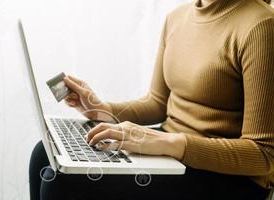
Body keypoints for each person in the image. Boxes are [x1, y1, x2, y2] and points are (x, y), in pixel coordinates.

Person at [29, 0, 274, 199]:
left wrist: (167, 143)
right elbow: (157, 102)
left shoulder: (261, 26)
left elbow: (264, 155)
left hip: (228, 176)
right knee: (44, 152)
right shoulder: (176, 18)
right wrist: (100, 109)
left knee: (61, 184)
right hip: (171, 151)